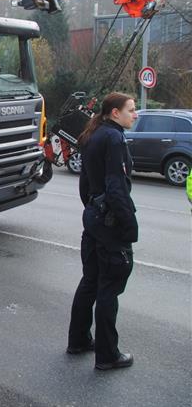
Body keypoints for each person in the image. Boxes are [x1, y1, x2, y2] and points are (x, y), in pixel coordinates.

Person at [67, 92, 139, 371]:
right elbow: (116, 186)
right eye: (131, 110)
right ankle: (108, 355)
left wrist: (92, 211)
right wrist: (128, 224)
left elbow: (86, 184)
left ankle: (79, 340)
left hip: (94, 219)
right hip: (108, 222)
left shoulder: (93, 135)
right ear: (114, 113)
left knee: (90, 281)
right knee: (109, 288)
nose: (135, 114)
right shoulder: (113, 138)